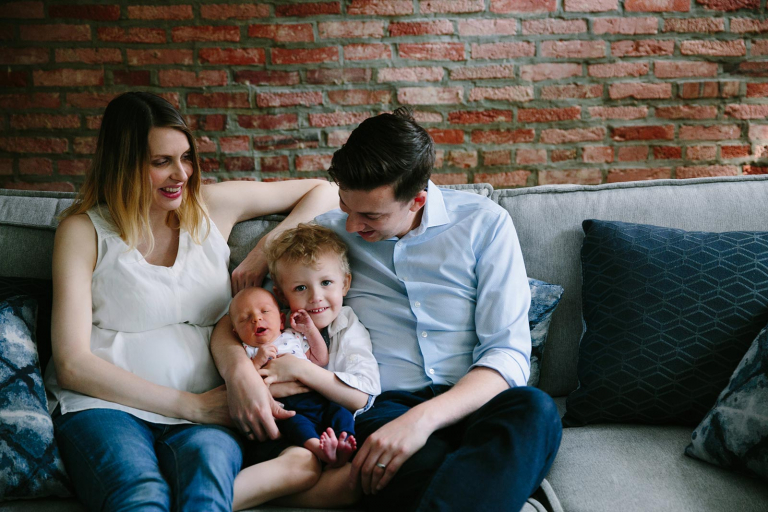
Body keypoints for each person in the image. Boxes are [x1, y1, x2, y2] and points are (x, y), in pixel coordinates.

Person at [213, 106, 563, 511]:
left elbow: (507, 354)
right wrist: (239, 369)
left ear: (417, 200)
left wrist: (422, 421)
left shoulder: (485, 225)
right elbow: (239, 320)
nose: (351, 226)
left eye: (370, 216)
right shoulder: (324, 242)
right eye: (347, 207)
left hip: (474, 399)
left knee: (536, 411)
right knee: (412, 466)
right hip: (383, 408)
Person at [45, 91, 339, 511]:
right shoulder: (83, 231)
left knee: (207, 494)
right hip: (105, 408)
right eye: (160, 161)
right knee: (140, 496)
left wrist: (266, 248)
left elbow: (324, 191)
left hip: (208, 413)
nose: (180, 174)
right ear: (122, 163)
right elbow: (72, 363)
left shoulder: (210, 207)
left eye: (186, 158)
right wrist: (194, 406)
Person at [228, 284, 367, 467]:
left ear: (281, 319)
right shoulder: (248, 351)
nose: (256, 318)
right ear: (236, 333)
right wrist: (257, 362)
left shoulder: (293, 336)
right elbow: (246, 383)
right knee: (294, 423)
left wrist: (310, 331)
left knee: (341, 412)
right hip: (287, 405)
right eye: (245, 318)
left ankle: (343, 442)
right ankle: (318, 448)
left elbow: (320, 358)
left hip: (316, 397)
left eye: (264, 311)